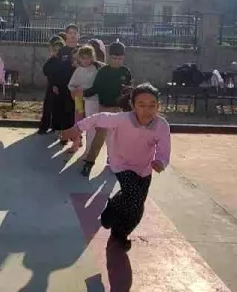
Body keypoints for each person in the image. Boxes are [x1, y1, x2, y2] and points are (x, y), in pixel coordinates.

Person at [62, 83, 170, 250]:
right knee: (133, 199)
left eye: (152, 105)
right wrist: (77, 128)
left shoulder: (161, 125)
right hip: (121, 163)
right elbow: (98, 118)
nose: (147, 110)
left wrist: (160, 162)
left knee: (137, 204)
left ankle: (113, 208)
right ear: (133, 106)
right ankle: (119, 234)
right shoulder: (122, 119)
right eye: (141, 105)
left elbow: (164, 149)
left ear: (158, 106)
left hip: (144, 168)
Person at [79, 41, 133, 176]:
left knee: (118, 138)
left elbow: (129, 91)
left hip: (119, 110)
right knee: (99, 137)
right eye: (114, 58)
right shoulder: (103, 72)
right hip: (104, 109)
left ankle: (116, 162)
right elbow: (95, 88)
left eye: (120, 58)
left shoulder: (125, 72)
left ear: (124, 57)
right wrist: (82, 93)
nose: (117, 61)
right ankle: (89, 163)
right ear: (109, 57)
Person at [43, 34, 77, 142]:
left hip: (73, 88)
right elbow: (47, 71)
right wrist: (54, 84)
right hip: (57, 87)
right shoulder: (54, 60)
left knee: (73, 111)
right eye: (55, 50)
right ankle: (59, 131)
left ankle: (74, 136)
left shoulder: (72, 56)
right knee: (57, 109)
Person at [67, 44, 101, 124]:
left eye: (88, 58)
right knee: (79, 116)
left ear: (92, 58)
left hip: (92, 97)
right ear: (80, 58)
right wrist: (75, 91)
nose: (86, 60)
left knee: (91, 117)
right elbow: (71, 85)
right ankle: (78, 134)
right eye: (83, 58)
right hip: (79, 97)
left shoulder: (96, 68)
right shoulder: (78, 70)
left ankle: (91, 133)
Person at [37, 36, 64, 134]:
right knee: (48, 107)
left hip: (61, 87)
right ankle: (44, 126)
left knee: (59, 108)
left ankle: (56, 126)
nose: (57, 52)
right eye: (55, 50)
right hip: (51, 86)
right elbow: (45, 70)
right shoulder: (51, 60)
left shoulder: (64, 61)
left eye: (59, 50)